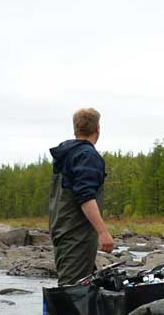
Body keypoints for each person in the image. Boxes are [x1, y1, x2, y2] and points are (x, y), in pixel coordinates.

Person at [48, 108, 114, 286]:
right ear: (98, 128)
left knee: (84, 286)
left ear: (75, 129)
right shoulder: (86, 155)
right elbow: (85, 197)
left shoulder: (67, 153)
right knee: (72, 291)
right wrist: (103, 232)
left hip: (64, 230)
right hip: (76, 235)